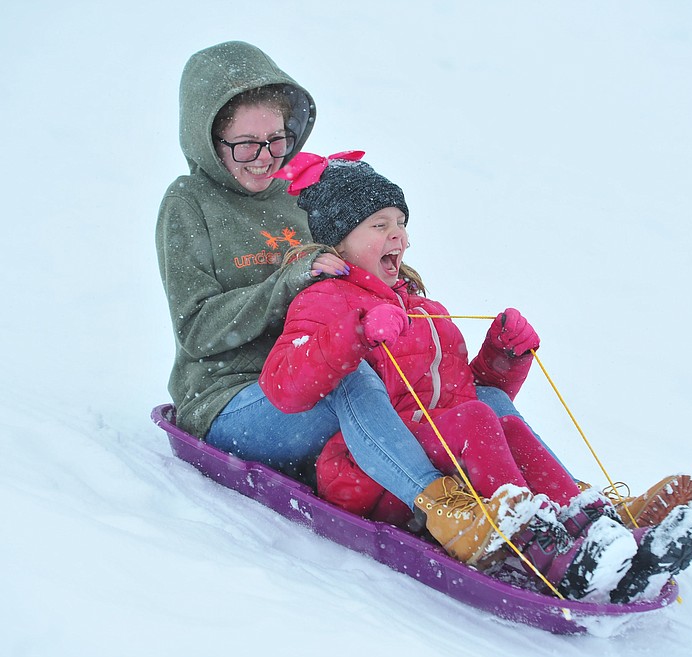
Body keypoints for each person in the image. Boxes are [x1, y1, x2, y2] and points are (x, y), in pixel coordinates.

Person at [156, 41, 548, 571]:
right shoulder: (189, 203)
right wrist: (288, 283)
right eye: (246, 145)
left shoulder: (299, 194)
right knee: (350, 377)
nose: (267, 157)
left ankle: (568, 508)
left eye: (277, 140)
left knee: (474, 401)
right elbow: (197, 330)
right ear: (207, 140)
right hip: (236, 398)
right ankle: (442, 507)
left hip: (319, 368)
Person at [259, 151, 692, 603]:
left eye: (401, 222)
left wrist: (503, 358)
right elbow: (282, 386)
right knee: (474, 420)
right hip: (378, 475)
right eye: (380, 225)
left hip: (442, 454)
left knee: (501, 421)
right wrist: (355, 332)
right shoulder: (325, 299)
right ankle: (536, 542)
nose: (400, 236)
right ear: (339, 240)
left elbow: (461, 394)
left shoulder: (420, 306)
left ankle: (595, 525)